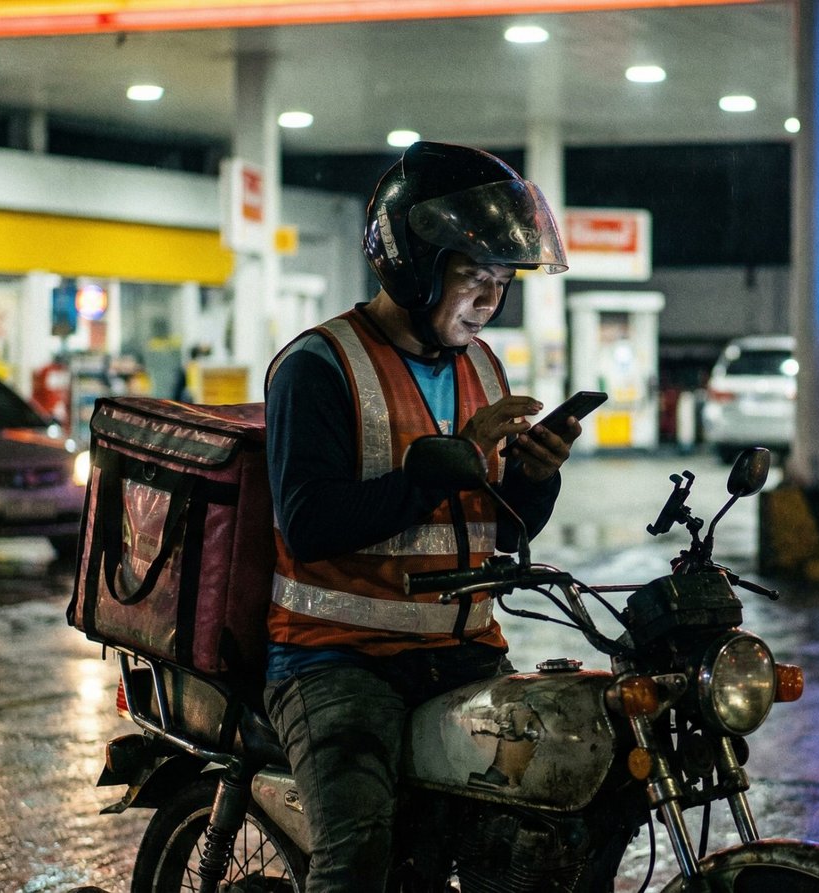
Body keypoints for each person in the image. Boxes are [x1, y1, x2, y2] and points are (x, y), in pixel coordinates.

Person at [261, 141, 577, 891]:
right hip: (335, 657)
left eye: (500, 283)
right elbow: (307, 523)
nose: (487, 301)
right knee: (358, 855)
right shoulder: (318, 364)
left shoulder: (483, 365)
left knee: (541, 832)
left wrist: (535, 479)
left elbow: (498, 527)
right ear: (413, 265)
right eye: (472, 277)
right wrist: (439, 467)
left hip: (463, 650)